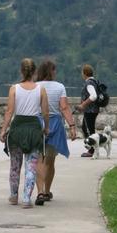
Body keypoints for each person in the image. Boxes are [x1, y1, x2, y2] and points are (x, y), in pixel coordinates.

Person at [0, 58, 48, 208]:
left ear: (21, 71)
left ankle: (14, 196)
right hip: (34, 128)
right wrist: (46, 128)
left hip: (17, 129)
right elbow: (45, 112)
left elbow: (9, 111)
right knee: (31, 166)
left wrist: (3, 130)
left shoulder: (14, 89)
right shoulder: (41, 89)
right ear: (34, 72)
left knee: (15, 165)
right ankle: (26, 198)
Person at [34, 59, 78, 204]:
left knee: (39, 159)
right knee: (50, 161)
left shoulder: (35, 86)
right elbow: (64, 108)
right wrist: (72, 125)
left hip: (37, 123)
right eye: (55, 70)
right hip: (55, 125)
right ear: (51, 71)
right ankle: (47, 192)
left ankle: (39, 192)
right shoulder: (60, 87)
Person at [76, 64, 101, 157]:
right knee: (87, 128)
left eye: (82, 72)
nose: (82, 74)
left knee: (89, 130)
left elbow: (93, 96)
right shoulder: (94, 81)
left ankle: (92, 150)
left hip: (90, 111)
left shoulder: (89, 83)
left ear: (85, 73)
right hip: (93, 110)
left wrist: (83, 105)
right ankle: (92, 149)